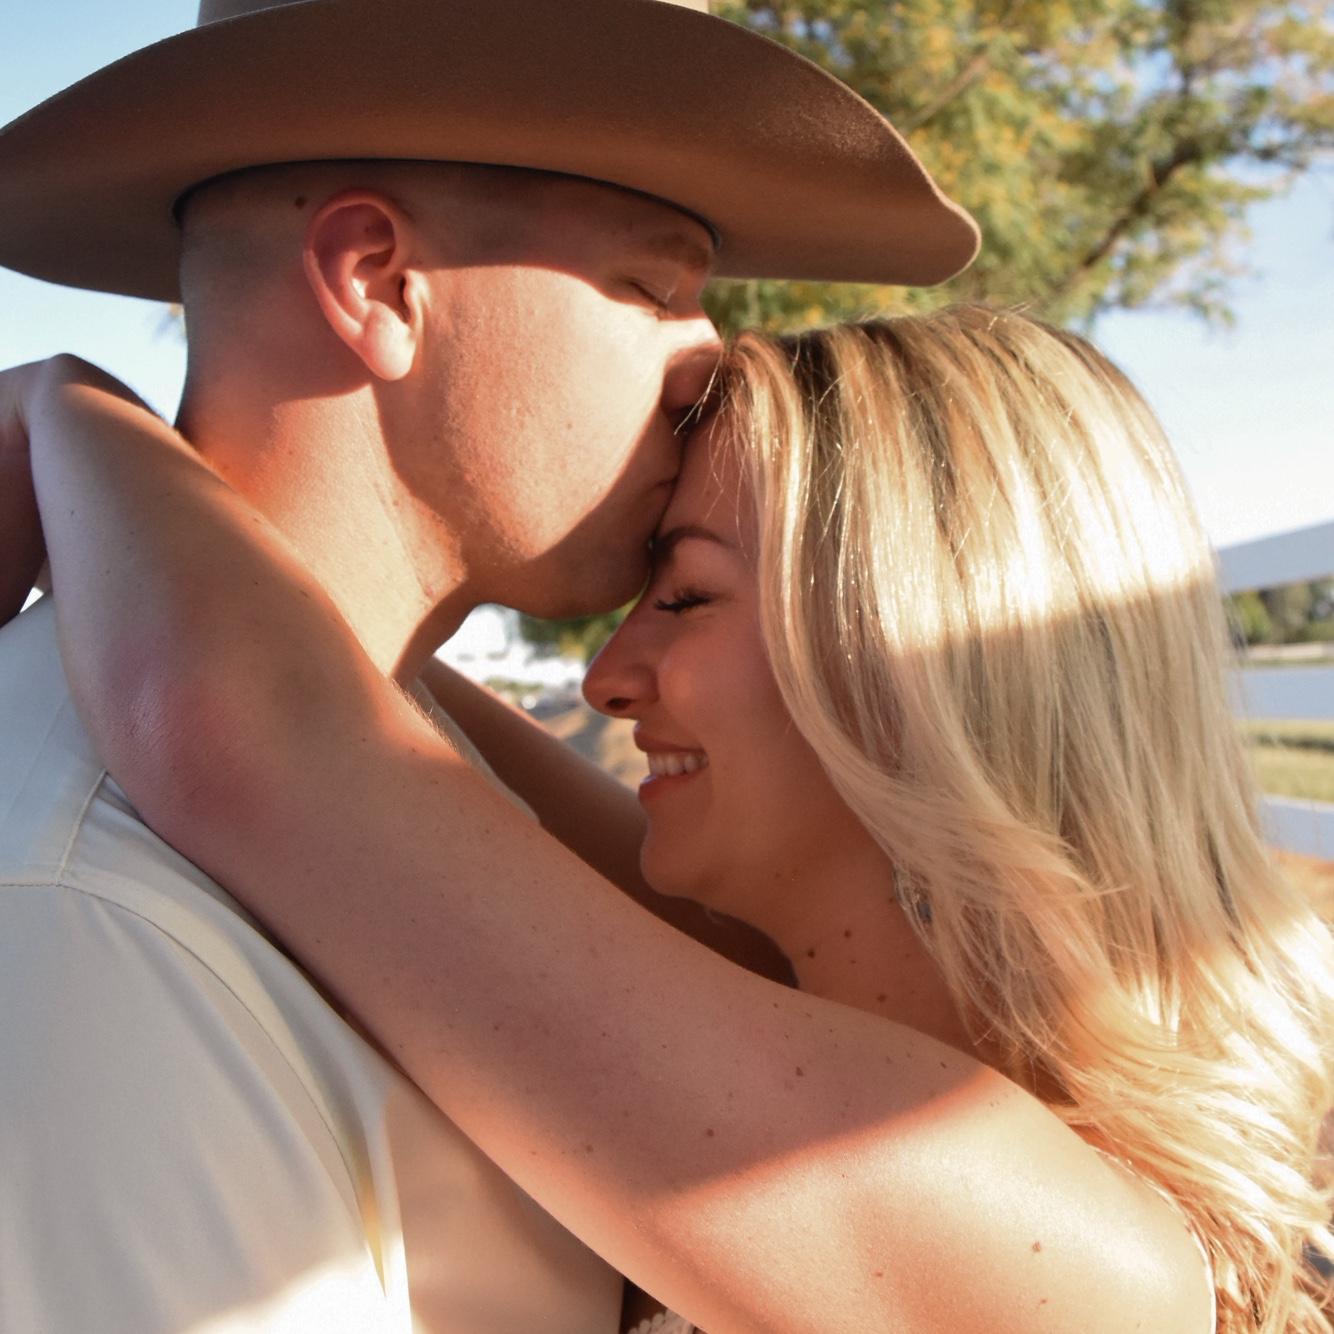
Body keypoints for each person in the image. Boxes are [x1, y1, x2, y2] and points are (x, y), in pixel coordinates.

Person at [11, 306, 1332, 1333]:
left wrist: (62, 405)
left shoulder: (1037, 1232)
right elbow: (366, 701)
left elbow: (259, 736)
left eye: (687, 598)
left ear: (909, 659)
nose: (604, 677)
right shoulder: (758, 994)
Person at [0, 0, 980, 1329]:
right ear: (377, 283)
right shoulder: (94, 918)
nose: (709, 359)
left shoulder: (384, 787)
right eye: (652, 286)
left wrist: (78, 418)